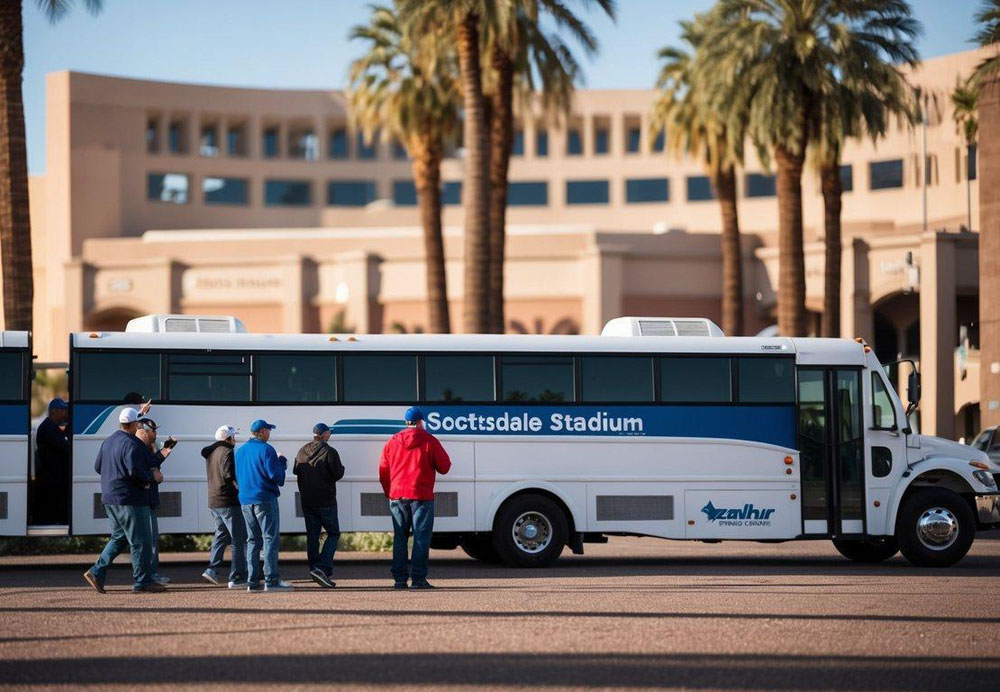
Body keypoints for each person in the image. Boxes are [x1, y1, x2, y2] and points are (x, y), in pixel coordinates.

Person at [83, 407, 164, 593]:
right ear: (135, 424)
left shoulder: (108, 441)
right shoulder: (133, 444)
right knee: (141, 541)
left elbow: (98, 467)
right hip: (130, 499)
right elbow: (135, 472)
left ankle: (97, 572)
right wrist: (153, 478)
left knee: (119, 537)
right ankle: (141, 582)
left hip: (109, 498)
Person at [379, 406, 451, 590]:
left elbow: (383, 470)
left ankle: (400, 580)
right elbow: (445, 467)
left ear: (406, 422)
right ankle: (418, 580)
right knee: (421, 538)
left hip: (397, 495)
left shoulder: (392, 441)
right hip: (421, 496)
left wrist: (390, 491)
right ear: (420, 422)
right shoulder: (429, 440)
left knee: (400, 538)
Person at [236, 419, 292, 592]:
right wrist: (282, 462)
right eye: (268, 430)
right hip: (264, 498)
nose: (270, 433)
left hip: (245, 500)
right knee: (270, 539)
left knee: (252, 540)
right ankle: (271, 581)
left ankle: (252, 582)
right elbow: (277, 478)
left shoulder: (240, 451)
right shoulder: (267, 450)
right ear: (261, 432)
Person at [294, 423, 345, 588]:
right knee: (333, 533)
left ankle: (315, 568)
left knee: (312, 536)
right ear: (324, 435)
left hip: (307, 501)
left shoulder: (302, 450)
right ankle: (322, 568)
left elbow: (296, 470)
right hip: (326, 501)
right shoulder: (330, 451)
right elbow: (338, 473)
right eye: (329, 433)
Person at [201, 424, 247, 588]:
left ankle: (212, 569)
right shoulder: (227, 451)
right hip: (227, 501)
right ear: (228, 438)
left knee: (221, 536)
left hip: (214, 500)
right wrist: (239, 489)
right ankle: (237, 577)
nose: (235, 439)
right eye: (233, 436)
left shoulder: (211, 452)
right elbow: (229, 475)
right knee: (238, 539)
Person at [135, 418, 176, 585]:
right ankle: (149, 575)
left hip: (148, 499)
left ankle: (147, 574)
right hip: (144, 499)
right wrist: (154, 476)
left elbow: (153, 464)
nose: (156, 433)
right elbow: (147, 468)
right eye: (154, 430)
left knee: (146, 540)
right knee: (149, 540)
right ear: (144, 431)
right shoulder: (140, 447)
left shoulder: (146, 447)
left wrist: (165, 450)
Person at [33, 398, 71, 525]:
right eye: (63, 411)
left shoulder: (51, 427)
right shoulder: (48, 428)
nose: (66, 414)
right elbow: (65, 447)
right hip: (51, 476)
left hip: (53, 474)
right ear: (53, 412)